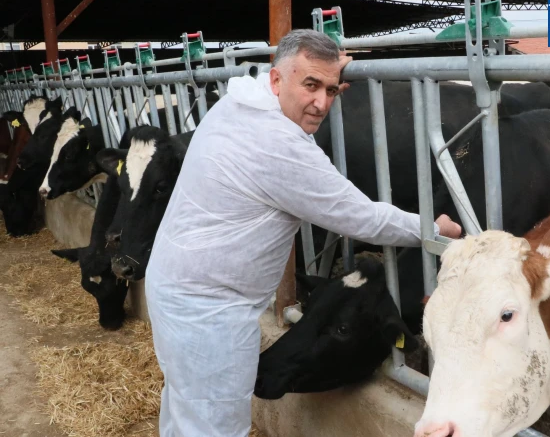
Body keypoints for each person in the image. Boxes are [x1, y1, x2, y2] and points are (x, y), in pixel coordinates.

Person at [144, 28, 462, 437]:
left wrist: (321, 67)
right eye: (310, 84)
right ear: (277, 80)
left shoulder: (241, 101)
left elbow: (296, 85)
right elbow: (358, 217)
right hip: (208, 310)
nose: (321, 102)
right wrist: (430, 228)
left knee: (186, 409)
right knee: (212, 424)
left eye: (332, 90)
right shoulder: (278, 145)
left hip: (180, 290)